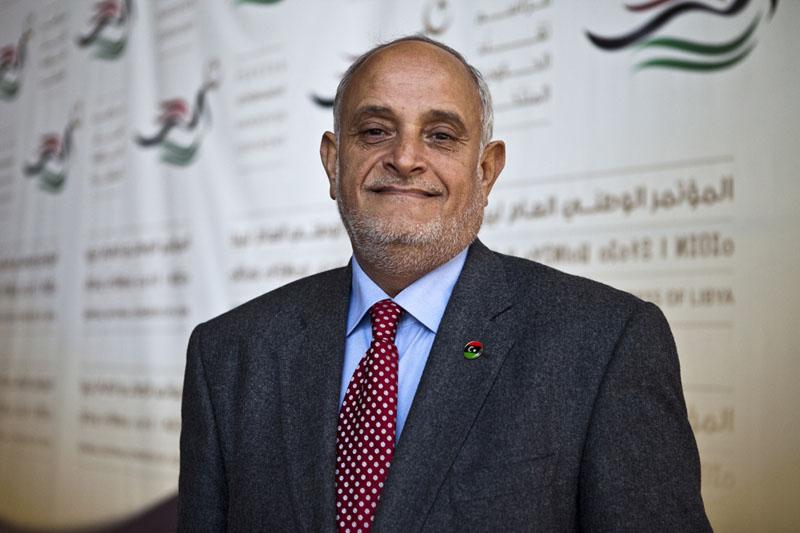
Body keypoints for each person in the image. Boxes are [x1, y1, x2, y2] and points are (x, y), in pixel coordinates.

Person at [178, 35, 711, 532]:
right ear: (333, 162)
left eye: (440, 136)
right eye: (375, 131)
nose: (405, 159)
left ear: (487, 171)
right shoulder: (227, 354)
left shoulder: (604, 343)